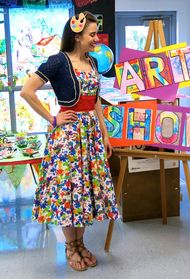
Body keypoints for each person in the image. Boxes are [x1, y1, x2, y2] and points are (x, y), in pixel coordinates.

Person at [20, 11, 119, 272]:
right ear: (77, 36)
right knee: (68, 190)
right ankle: (69, 245)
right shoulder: (58, 62)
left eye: (96, 33)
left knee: (84, 189)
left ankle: (81, 242)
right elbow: (26, 91)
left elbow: (96, 101)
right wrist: (53, 119)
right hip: (67, 137)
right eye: (92, 34)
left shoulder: (94, 63)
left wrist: (105, 133)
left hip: (91, 137)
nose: (96, 39)